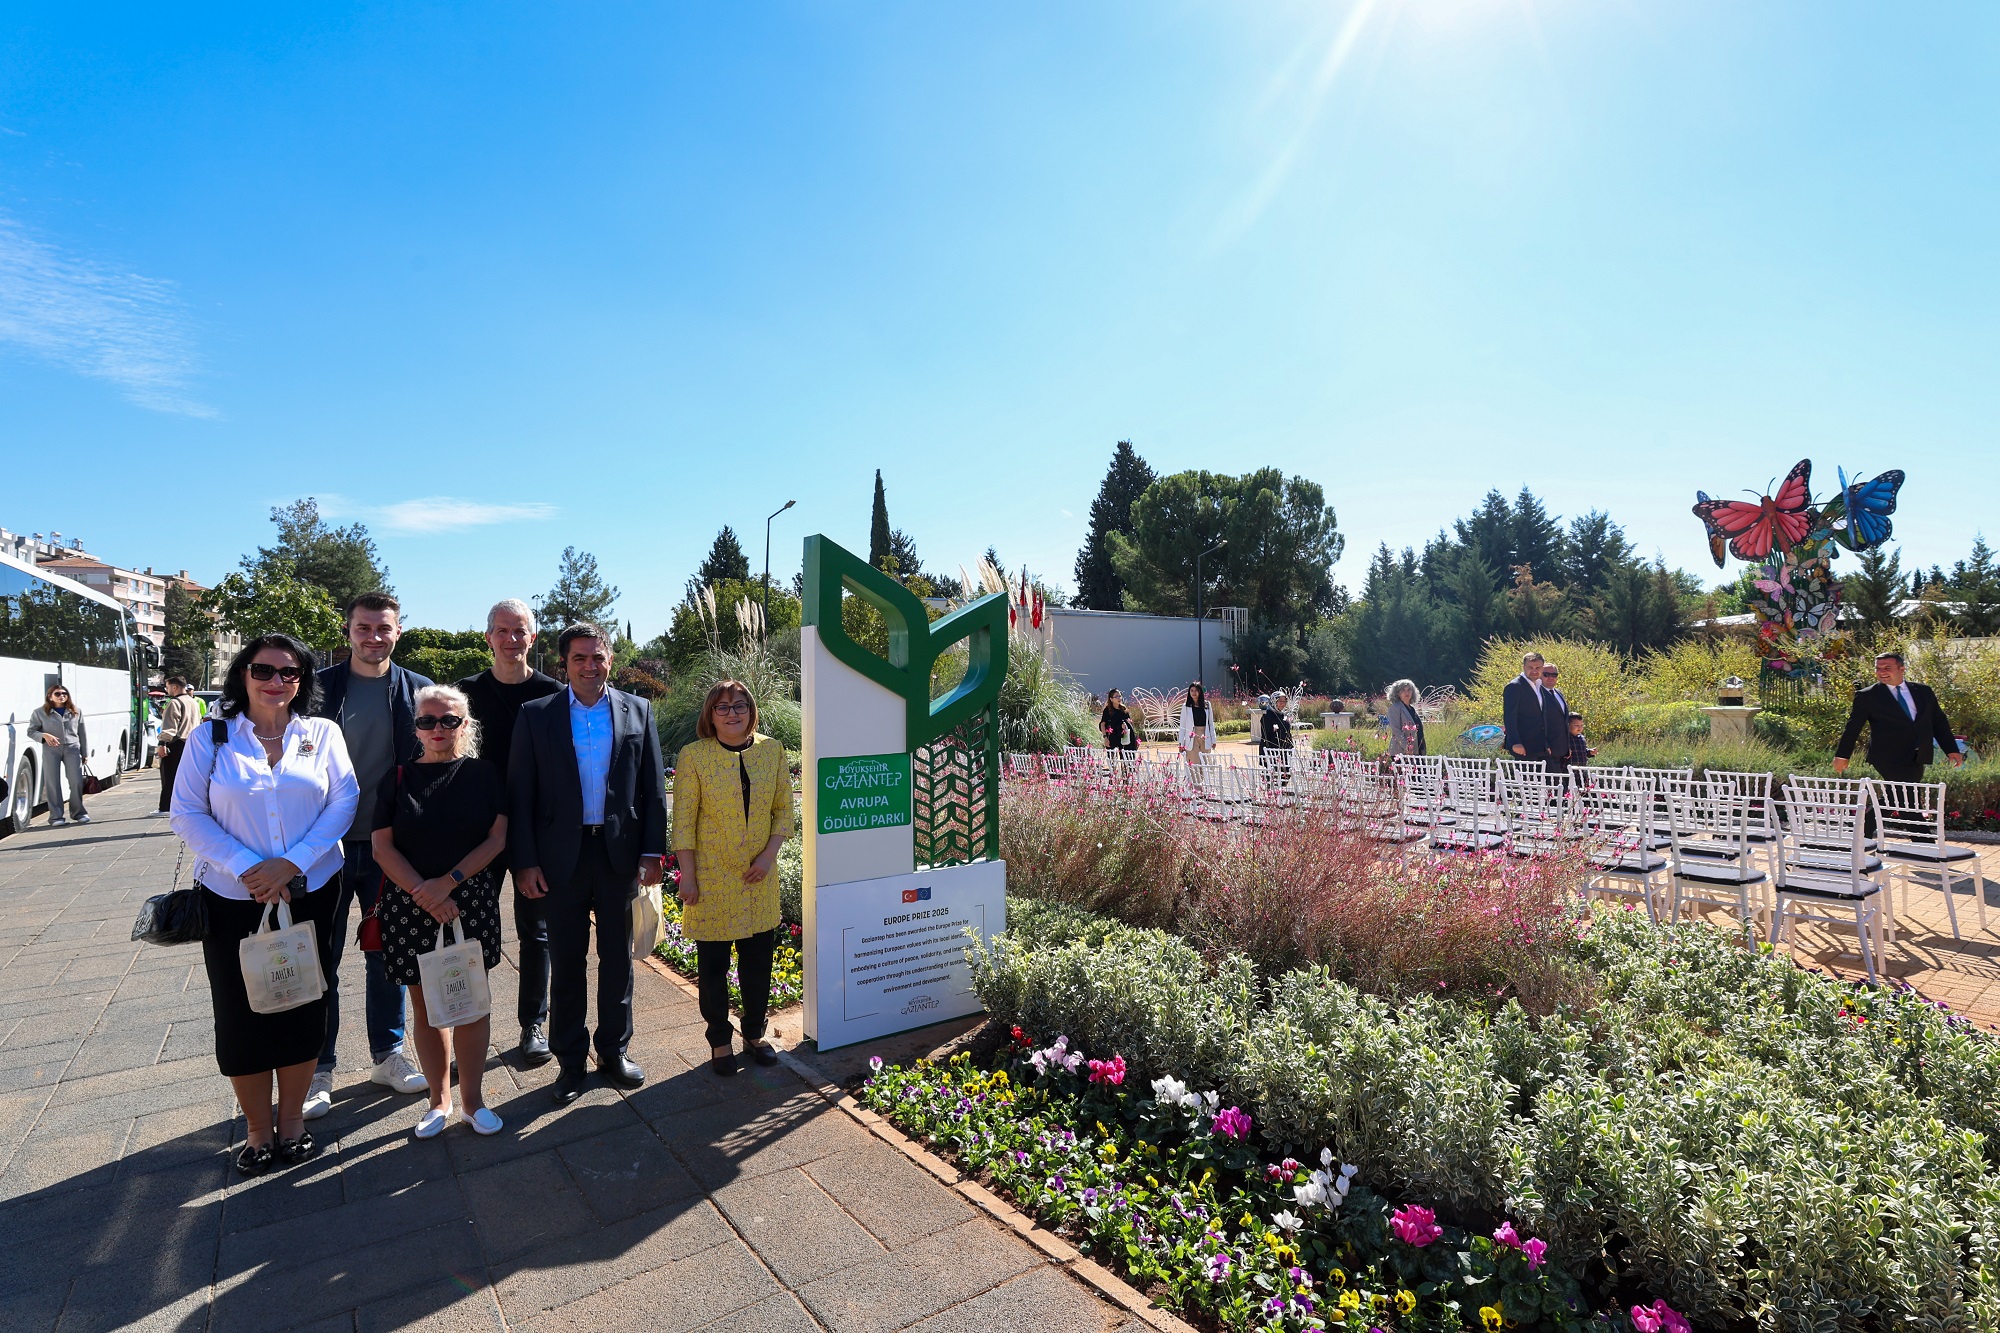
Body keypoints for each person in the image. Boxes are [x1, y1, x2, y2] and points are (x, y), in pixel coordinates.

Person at [170, 634, 358, 1175]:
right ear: (243, 674)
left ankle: (293, 1121)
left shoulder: (321, 733)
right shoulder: (212, 737)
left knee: (305, 1002)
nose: (277, 681)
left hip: (311, 891)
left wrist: (292, 863)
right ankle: (257, 1129)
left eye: (290, 672)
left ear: (303, 680)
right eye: (264, 670)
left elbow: (344, 799)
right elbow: (186, 812)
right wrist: (247, 867)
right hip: (234, 897)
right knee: (240, 1012)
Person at [509, 623, 667, 1105]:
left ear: (610, 659)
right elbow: (520, 795)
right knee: (567, 961)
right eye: (579, 658)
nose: (589, 665)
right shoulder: (536, 715)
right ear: (564, 664)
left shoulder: (637, 710)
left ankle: (614, 1050)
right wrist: (525, 862)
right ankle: (571, 1061)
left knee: (618, 959)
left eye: (597, 656)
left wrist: (652, 852)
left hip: (618, 854)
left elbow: (653, 789)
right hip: (561, 857)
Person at [309, 591, 433, 1119]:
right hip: (324, 846)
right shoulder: (316, 689)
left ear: (398, 631)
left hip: (390, 847)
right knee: (322, 958)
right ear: (348, 631)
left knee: (389, 954)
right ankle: (318, 1068)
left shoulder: (418, 690)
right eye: (364, 628)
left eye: (384, 628)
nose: (374, 637)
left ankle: (387, 1054)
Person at [370, 685, 509, 1137]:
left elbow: (497, 839)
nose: (438, 728)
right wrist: (423, 891)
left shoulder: (485, 774)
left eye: (449, 720)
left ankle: (473, 1101)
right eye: (427, 720)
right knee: (425, 1004)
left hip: (468, 898)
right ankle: (438, 1099)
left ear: (464, 725)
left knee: (471, 1002)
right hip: (410, 903)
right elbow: (381, 847)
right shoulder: (396, 779)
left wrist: (447, 883)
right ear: (415, 728)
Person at [456, 598, 563, 1067]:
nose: (511, 639)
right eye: (502, 630)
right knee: (469, 934)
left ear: (532, 638)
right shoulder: (465, 693)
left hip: (531, 831)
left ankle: (532, 1024)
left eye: (519, 631)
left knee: (535, 932)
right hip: (478, 831)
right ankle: (466, 1027)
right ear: (488, 638)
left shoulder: (553, 695)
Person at [672, 680, 794, 1076]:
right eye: (722, 707)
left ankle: (755, 1034)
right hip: (711, 878)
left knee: (758, 963)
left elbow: (783, 810)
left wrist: (768, 856)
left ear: (751, 711)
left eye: (740, 705)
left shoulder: (772, 750)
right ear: (710, 715)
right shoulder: (694, 756)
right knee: (712, 967)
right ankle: (719, 1040)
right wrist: (688, 876)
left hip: (760, 876)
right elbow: (684, 822)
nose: (732, 713)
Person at [1834, 651, 1964, 783]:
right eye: (1878, 668)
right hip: (1887, 756)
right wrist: (1842, 756)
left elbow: (1939, 723)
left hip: (1918, 755)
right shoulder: (1867, 696)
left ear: (1902, 669)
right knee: (1904, 791)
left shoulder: (1923, 692)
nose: (1882, 672)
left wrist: (1951, 750)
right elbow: (1853, 727)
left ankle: (1882, 798)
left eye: (1887, 668)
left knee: (1906, 792)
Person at [27, 684, 89, 826]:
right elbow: (31, 731)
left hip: (72, 748)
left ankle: (78, 813)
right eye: (57, 694)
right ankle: (56, 817)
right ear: (50, 696)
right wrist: (44, 735)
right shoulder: (39, 712)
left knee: (76, 781)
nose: (62, 696)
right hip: (51, 749)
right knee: (52, 783)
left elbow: (82, 732)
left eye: (64, 693)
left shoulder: (75, 711)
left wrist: (84, 753)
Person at [1501, 652, 1564, 764]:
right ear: (1523, 667)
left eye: (1538, 668)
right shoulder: (1515, 686)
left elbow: (1542, 717)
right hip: (1523, 747)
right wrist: (1515, 742)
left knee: (1552, 774)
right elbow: (1510, 717)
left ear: (1542, 668)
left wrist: (1546, 744)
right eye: (1530, 667)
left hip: (1541, 747)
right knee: (1526, 776)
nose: (1534, 671)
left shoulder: (1539, 686)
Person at [155, 676, 201, 816]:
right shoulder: (193, 702)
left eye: (168, 687)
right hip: (191, 743)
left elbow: (170, 726)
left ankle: (166, 807)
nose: (166, 690)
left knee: (169, 776)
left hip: (175, 743)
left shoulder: (174, 703)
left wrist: (162, 743)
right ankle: (184, 805)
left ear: (174, 687)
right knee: (186, 778)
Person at [1385, 679, 1426, 758]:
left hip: (1417, 750)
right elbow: (1396, 730)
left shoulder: (1412, 709)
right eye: (1403, 690)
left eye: (1409, 690)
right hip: (1401, 752)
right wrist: (1407, 746)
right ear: (1397, 693)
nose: (1407, 693)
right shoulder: (1395, 708)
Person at [1178, 682, 1216, 766]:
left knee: (1205, 762)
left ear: (1200, 692)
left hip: (1205, 735)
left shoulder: (1207, 705)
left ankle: (1203, 775)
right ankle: (1194, 775)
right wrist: (1181, 743)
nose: (1194, 693)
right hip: (1192, 736)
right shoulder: (1186, 706)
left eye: (1196, 690)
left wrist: (1213, 740)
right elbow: (1182, 726)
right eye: (1191, 690)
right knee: (1193, 761)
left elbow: (1210, 723)